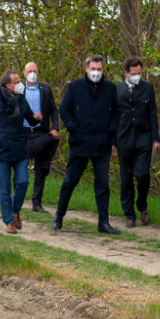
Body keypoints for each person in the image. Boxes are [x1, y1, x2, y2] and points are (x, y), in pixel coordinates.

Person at [53, 55, 122, 234]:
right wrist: (73, 128)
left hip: (102, 144)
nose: (96, 72)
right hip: (79, 144)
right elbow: (64, 109)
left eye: (99, 69)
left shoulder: (110, 88)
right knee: (69, 182)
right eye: (93, 69)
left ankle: (103, 222)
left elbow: (117, 112)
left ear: (103, 70)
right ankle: (58, 217)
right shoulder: (74, 86)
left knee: (102, 184)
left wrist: (110, 131)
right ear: (86, 69)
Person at [0, 70, 42, 234]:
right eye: (17, 81)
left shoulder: (22, 100)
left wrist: (37, 118)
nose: (21, 83)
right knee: (4, 189)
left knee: (23, 182)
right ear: (8, 85)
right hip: (1, 149)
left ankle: (15, 211)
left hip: (19, 147)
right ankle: (9, 221)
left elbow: (30, 119)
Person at [115, 57, 160, 227]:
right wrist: (112, 142)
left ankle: (142, 205)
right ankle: (129, 214)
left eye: (140, 73)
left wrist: (155, 138)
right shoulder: (117, 90)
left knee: (142, 175)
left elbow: (152, 114)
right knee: (126, 178)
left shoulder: (148, 88)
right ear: (126, 73)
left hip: (144, 138)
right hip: (123, 138)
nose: (137, 76)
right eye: (134, 74)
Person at [22, 62, 60, 214]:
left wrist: (55, 128)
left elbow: (53, 110)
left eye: (35, 71)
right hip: (23, 133)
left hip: (41, 132)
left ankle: (36, 202)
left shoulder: (46, 89)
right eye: (30, 71)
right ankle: (15, 198)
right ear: (24, 73)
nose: (32, 73)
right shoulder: (19, 90)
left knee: (41, 168)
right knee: (20, 164)